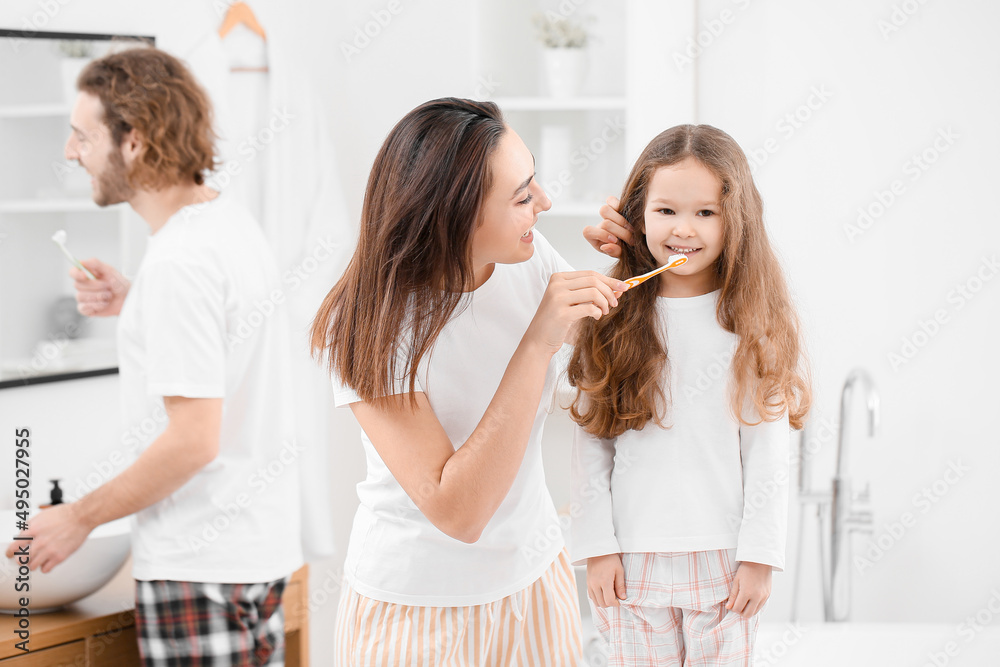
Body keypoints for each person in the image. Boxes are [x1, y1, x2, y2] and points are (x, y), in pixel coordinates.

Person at [4, 46, 302, 665]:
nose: (70, 152)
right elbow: (225, 341)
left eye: (83, 136)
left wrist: (77, 517)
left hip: (202, 568)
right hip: (257, 550)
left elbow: (194, 440)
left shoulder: (179, 264)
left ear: (133, 141)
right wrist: (137, 304)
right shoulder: (227, 225)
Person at [310, 97, 627, 665]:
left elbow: (609, 354)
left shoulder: (525, 257)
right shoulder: (370, 324)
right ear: (454, 216)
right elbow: (460, 513)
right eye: (523, 196)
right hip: (418, 610)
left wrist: (633, 261)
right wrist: (537, 341)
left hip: (534, 584)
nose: (545, 204)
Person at [568, 124, 812, 666]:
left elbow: (767, 453)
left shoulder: (750, 326)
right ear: (637, 216)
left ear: (736, 219)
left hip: (725, 561)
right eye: (665, 211)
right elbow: (592, 445)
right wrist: (597, 547)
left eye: (706, 212)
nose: (683, 230)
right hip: (630, 561)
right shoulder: (611, 317)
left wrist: (760, 558)